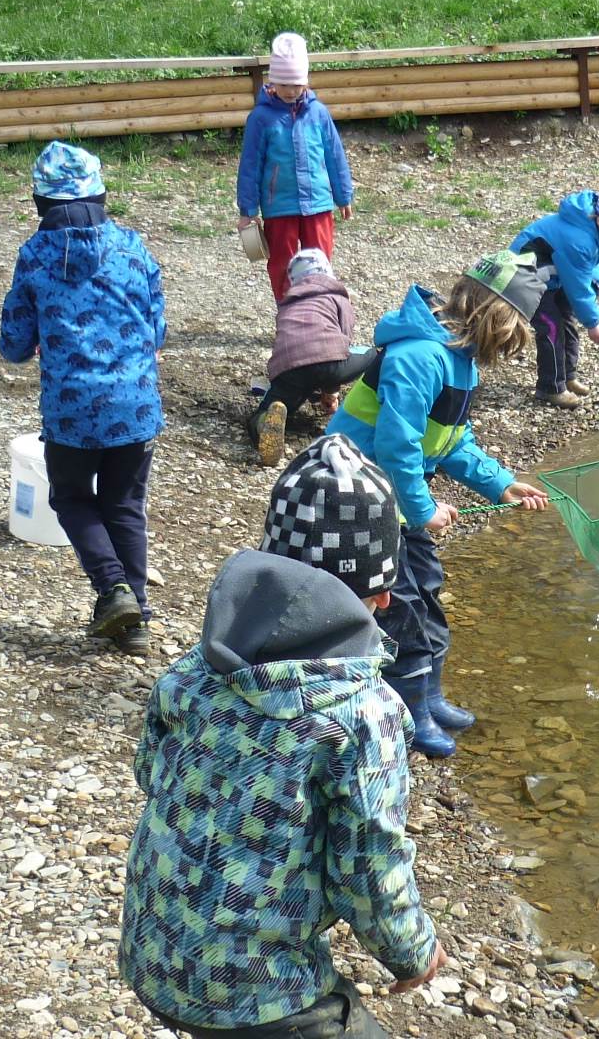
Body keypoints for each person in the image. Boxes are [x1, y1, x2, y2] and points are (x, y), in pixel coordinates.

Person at [119, 434, 445, 1038]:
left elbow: (151, 775)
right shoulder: (361, 712)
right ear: (379, 596)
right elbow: (368, 866)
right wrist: (412, 951)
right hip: (259, 993)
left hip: (153, 949)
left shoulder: (201, 665)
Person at [327, 252, 553, 758]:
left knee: (427, 588)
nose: (510, 348)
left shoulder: (459, 360)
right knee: (400, 604)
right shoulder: (420, 357)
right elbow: (397, 445)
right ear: (494, 318)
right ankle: (408, 712)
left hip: (396, 496)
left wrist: (501, 485)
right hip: (358, 493)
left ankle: (429, 695)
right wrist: (424, 508)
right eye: (513, 334)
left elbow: (450, 441)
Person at [0, 140, 166, 656]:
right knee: (125, 505)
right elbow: (157, 330)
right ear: (100, 195)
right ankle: (135, 620)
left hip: (71, 410)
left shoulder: (35, 256)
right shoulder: (132, 246)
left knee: (71, 497)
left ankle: (113, 589)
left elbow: (14, 345)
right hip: (135, 405)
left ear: (41, 203)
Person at [237, 32, 355, 303]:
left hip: (318, 204)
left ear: (306, 81)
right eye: (284, 84)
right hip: (279, 206)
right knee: (282, 263)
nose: (291, 91)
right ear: (272, 81)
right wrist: (248, 210)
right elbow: (250, 166)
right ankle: (287, 309)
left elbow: (335, 155)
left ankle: (321, 307)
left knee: (320, 261)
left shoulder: (318, 113)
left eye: (297, 84)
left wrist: (343, 195)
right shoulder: (261, 118)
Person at [508, 179, 599, 408]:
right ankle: (550, 388)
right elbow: (578, 287)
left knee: (568, 322)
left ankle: (567, 376)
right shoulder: (578, 239)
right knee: (551, 327)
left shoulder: (593, 229)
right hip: (523, 278)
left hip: (551, 277)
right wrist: (593, 323)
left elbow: (587, 264)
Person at [251, 248, 373, 469]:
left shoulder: (288, 304)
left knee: (268, 408)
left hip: (289, 369)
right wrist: (331, 391)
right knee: (375, 354)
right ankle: (373, 413)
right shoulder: (336, 296)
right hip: (330, 363)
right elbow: (343, 341)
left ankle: (262, 423)